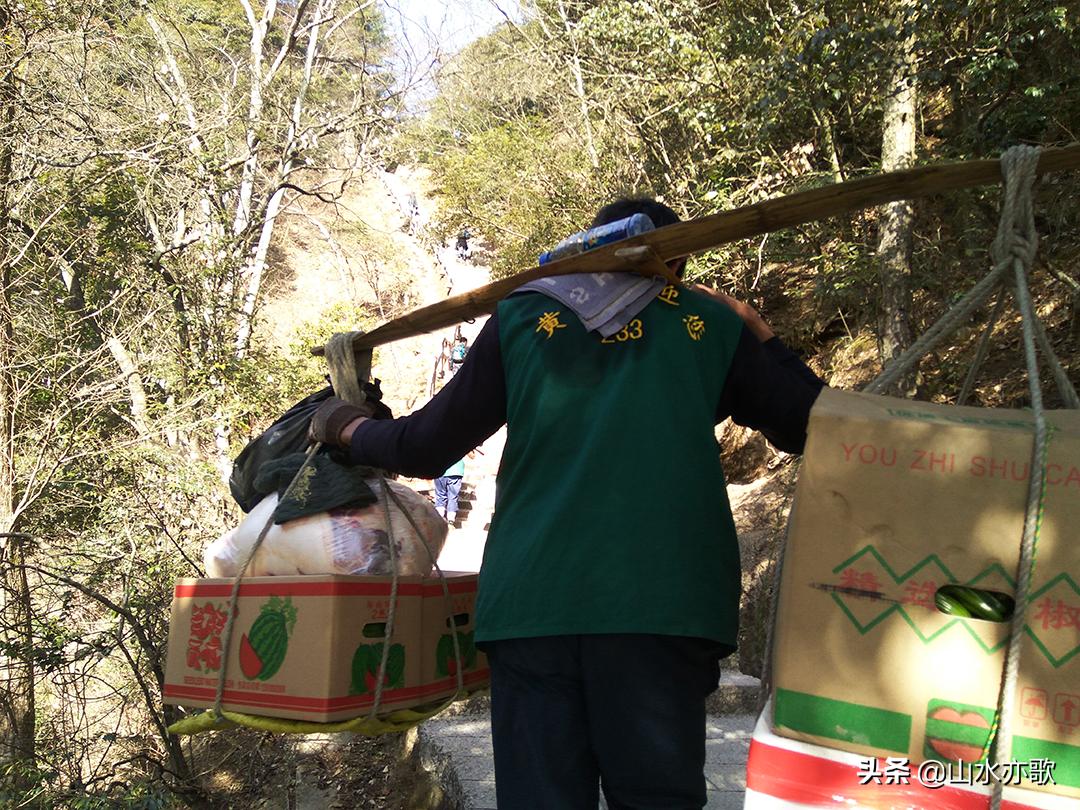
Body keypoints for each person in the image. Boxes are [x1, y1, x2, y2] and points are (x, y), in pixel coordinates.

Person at [309, 197, 825, 809]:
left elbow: (423, 446)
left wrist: (344, 425)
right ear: (679, 258)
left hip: (535, 606)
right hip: (663, 606)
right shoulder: (711, 325)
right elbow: (810, 427)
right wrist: (762, 332)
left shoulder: (523, 317)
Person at [434, 456, 465, 526]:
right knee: (453, 496)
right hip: (456, 470)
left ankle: (439, 518)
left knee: (440, 495)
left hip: (439, 469)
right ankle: (451, 519)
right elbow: (472, 456)